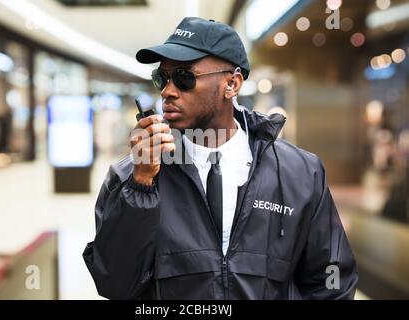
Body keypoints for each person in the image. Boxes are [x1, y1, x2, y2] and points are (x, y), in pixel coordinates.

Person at [83, 17, 358, 300]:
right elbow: (114, 284)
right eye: (161, 78)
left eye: (184, 76)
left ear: (232, 83)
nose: (168, 90)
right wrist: (141, 185)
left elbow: (332, 282)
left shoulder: (300, 173)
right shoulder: (129, 176)